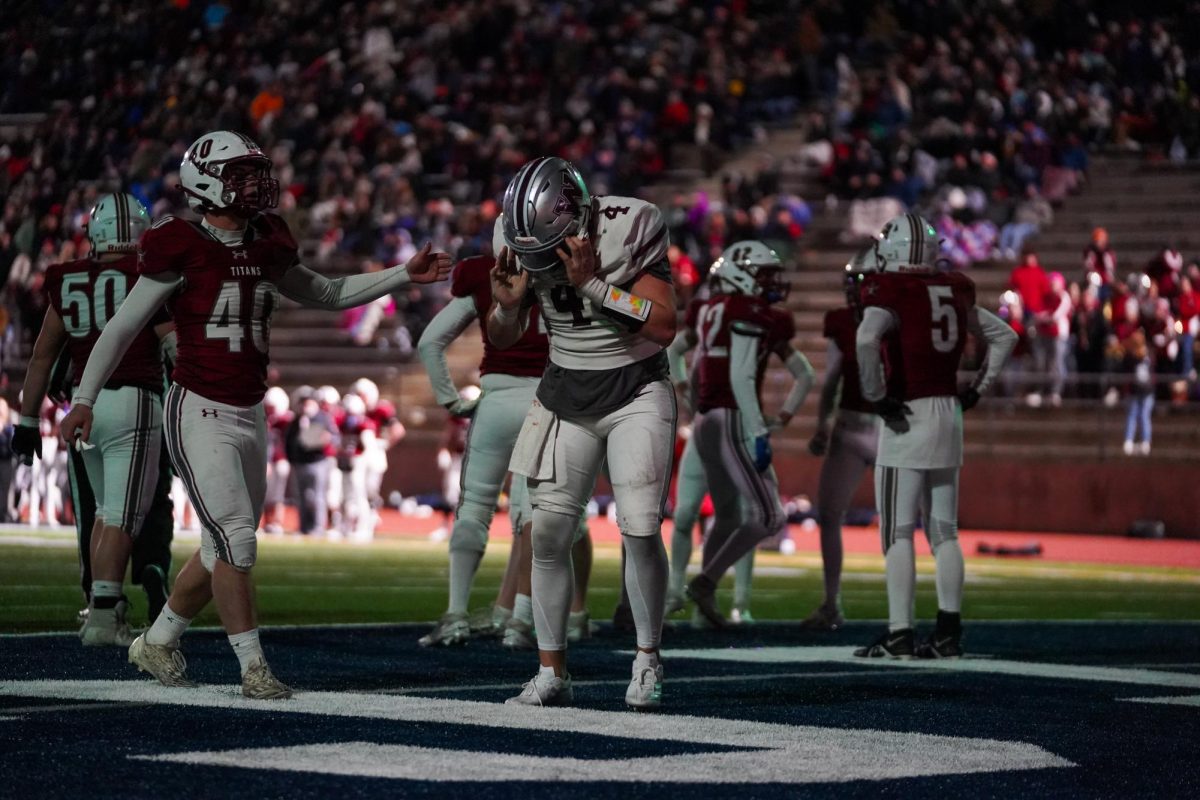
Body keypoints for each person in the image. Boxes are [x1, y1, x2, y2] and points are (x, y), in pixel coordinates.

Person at [61, 130, 451, 699]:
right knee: (238, 539)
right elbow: (122, 327)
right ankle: (252, 667)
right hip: (198, 407)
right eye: (241, 175)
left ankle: (159, 640)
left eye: (254, 174)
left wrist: (401, 275)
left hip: (249, 410)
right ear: (206, 182)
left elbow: (328, 291)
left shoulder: (266, 239)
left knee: (223, 546)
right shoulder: (180, 243)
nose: (256, 186)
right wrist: (83, 399)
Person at [489, 156, 677, 709]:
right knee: (546, 536)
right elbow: (503, 335)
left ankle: (647, 659)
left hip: (635, 389)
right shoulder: (513, 230)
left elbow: (663, 325)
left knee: (639, 527)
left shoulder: (630, 223)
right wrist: (504, 309)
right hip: (565, 392)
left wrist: (593, 284)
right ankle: (552, 671)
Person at [13, 193, 174, 646]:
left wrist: (26, 421)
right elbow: (171, 345)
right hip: (134, 399)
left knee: (105, 513)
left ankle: (103, 607)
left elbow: (43, 354)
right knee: (124, 516)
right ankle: (106, 616)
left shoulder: (69, 279)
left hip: (84, 405)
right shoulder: (147, 275)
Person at [855, 213, 1016, 659]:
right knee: (944, 531)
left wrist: (876, 395)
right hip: (950, 412)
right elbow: (1004, 336)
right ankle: (948, 631)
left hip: (907, 413)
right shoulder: (952, 286)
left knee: (898, 532)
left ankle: (900, 632)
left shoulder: (891, 290)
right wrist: (979, 388)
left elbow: (867, 341)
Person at [416, 255, 592, 649]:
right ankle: (521, 621)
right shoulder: (572, 265)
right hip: (548, 398)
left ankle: (456, 614)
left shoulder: (483, 270)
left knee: (474, 507)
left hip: (496, 398)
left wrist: (450, 399)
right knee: (535, 513)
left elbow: (429, 341)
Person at [666, 241, 813, 627]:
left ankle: (697, 594)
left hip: (708, 421)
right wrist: (768, 425)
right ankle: (704, 589)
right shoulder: (747, 311)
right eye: (764, 275)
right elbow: (742, 376)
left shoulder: (713, 309)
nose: (772, 283)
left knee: (724, 515)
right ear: (742, 275)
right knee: (760, 514)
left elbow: (677, 354)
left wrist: (685, 391)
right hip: (735, 421)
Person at [804, 249, 879, 630]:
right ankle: (832, 602)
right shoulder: (844, 321)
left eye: (861, 282)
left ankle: (907, 614)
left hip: (883, 430)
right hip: (858, 429)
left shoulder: (896, 318)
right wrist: (822, 425)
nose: (854, 290)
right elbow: (833, 377)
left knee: (902, 522)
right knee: (829, 513)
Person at [261, 386, 292, 533]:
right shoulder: (264, 419)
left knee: (278, 494)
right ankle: (267, 522)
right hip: (267, 461)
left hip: (281, 460)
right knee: (266, 493)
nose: (270, 409)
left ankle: (277, 522)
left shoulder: (287, 420)